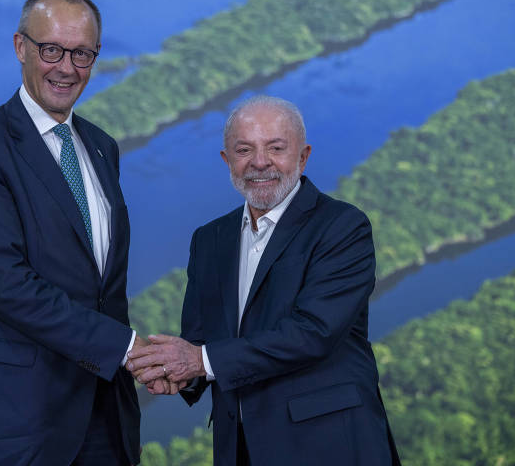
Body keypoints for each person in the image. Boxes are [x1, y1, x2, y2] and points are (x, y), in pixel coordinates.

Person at [126, 96, 401, 465]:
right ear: (227, 161)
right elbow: (202, 342)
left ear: (303, 157)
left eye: (276, 148)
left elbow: (312, 333)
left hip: (329, 446)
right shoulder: (209, 240)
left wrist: (198, 361)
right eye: (244, 150)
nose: (259, 162)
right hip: (239, 450)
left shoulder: (342, 227)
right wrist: (176, 372)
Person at [0, 0, 147, 466]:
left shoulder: (102, 147)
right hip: (15, 421)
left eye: (82, 54)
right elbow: (6, 284)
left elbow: (101, 286)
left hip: (104, 416)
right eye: (51, 50)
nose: (67, 68)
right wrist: (127, 349)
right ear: (20, 47)